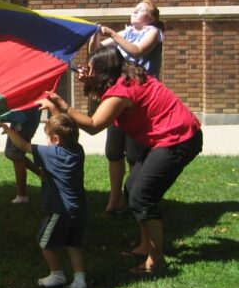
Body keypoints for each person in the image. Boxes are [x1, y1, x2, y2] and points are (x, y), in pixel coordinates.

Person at [41, 46, 202, 275]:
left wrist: (64, 106)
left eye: (94, 69)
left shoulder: (121, 91)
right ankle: (146, 245)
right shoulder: (126, 76)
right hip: (167, 138)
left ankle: (156, 261)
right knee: (132, 187)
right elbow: (102, 98)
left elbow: (94, 125)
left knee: (142, 197)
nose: (89, 71)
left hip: (178, 139)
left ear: (105, 70)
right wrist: (89, 82)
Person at [89, 0, 165, 213]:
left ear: (152, 18)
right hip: (119, 96)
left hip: (141, 100)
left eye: (141, 10)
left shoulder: (153, 32)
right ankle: (114, 201)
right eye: (135, 8)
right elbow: (96, 52)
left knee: (134, 154)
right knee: (113, 151)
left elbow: (137, 51)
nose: (135, 10)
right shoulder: (127, 32)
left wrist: (113, 34)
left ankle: (135, 199)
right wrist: (94, 34)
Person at [0, 114, 87, 288]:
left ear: (56, 139)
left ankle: (57, 274)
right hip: (79, 209)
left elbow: (23, 146)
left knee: (44, 242)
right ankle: (80, 279)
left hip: (59, 211)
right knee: (73, 244)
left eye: (48, 137)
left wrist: (9, 131)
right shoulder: (78, 151)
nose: (46, 140)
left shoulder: (51, 152)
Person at [1, 108, 41, 204]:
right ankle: (42, 173)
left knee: (15, 155)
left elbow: (24, 107)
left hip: (23, 122)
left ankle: (22, 196)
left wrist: (3, 116)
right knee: (10, 153)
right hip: (21, 121)